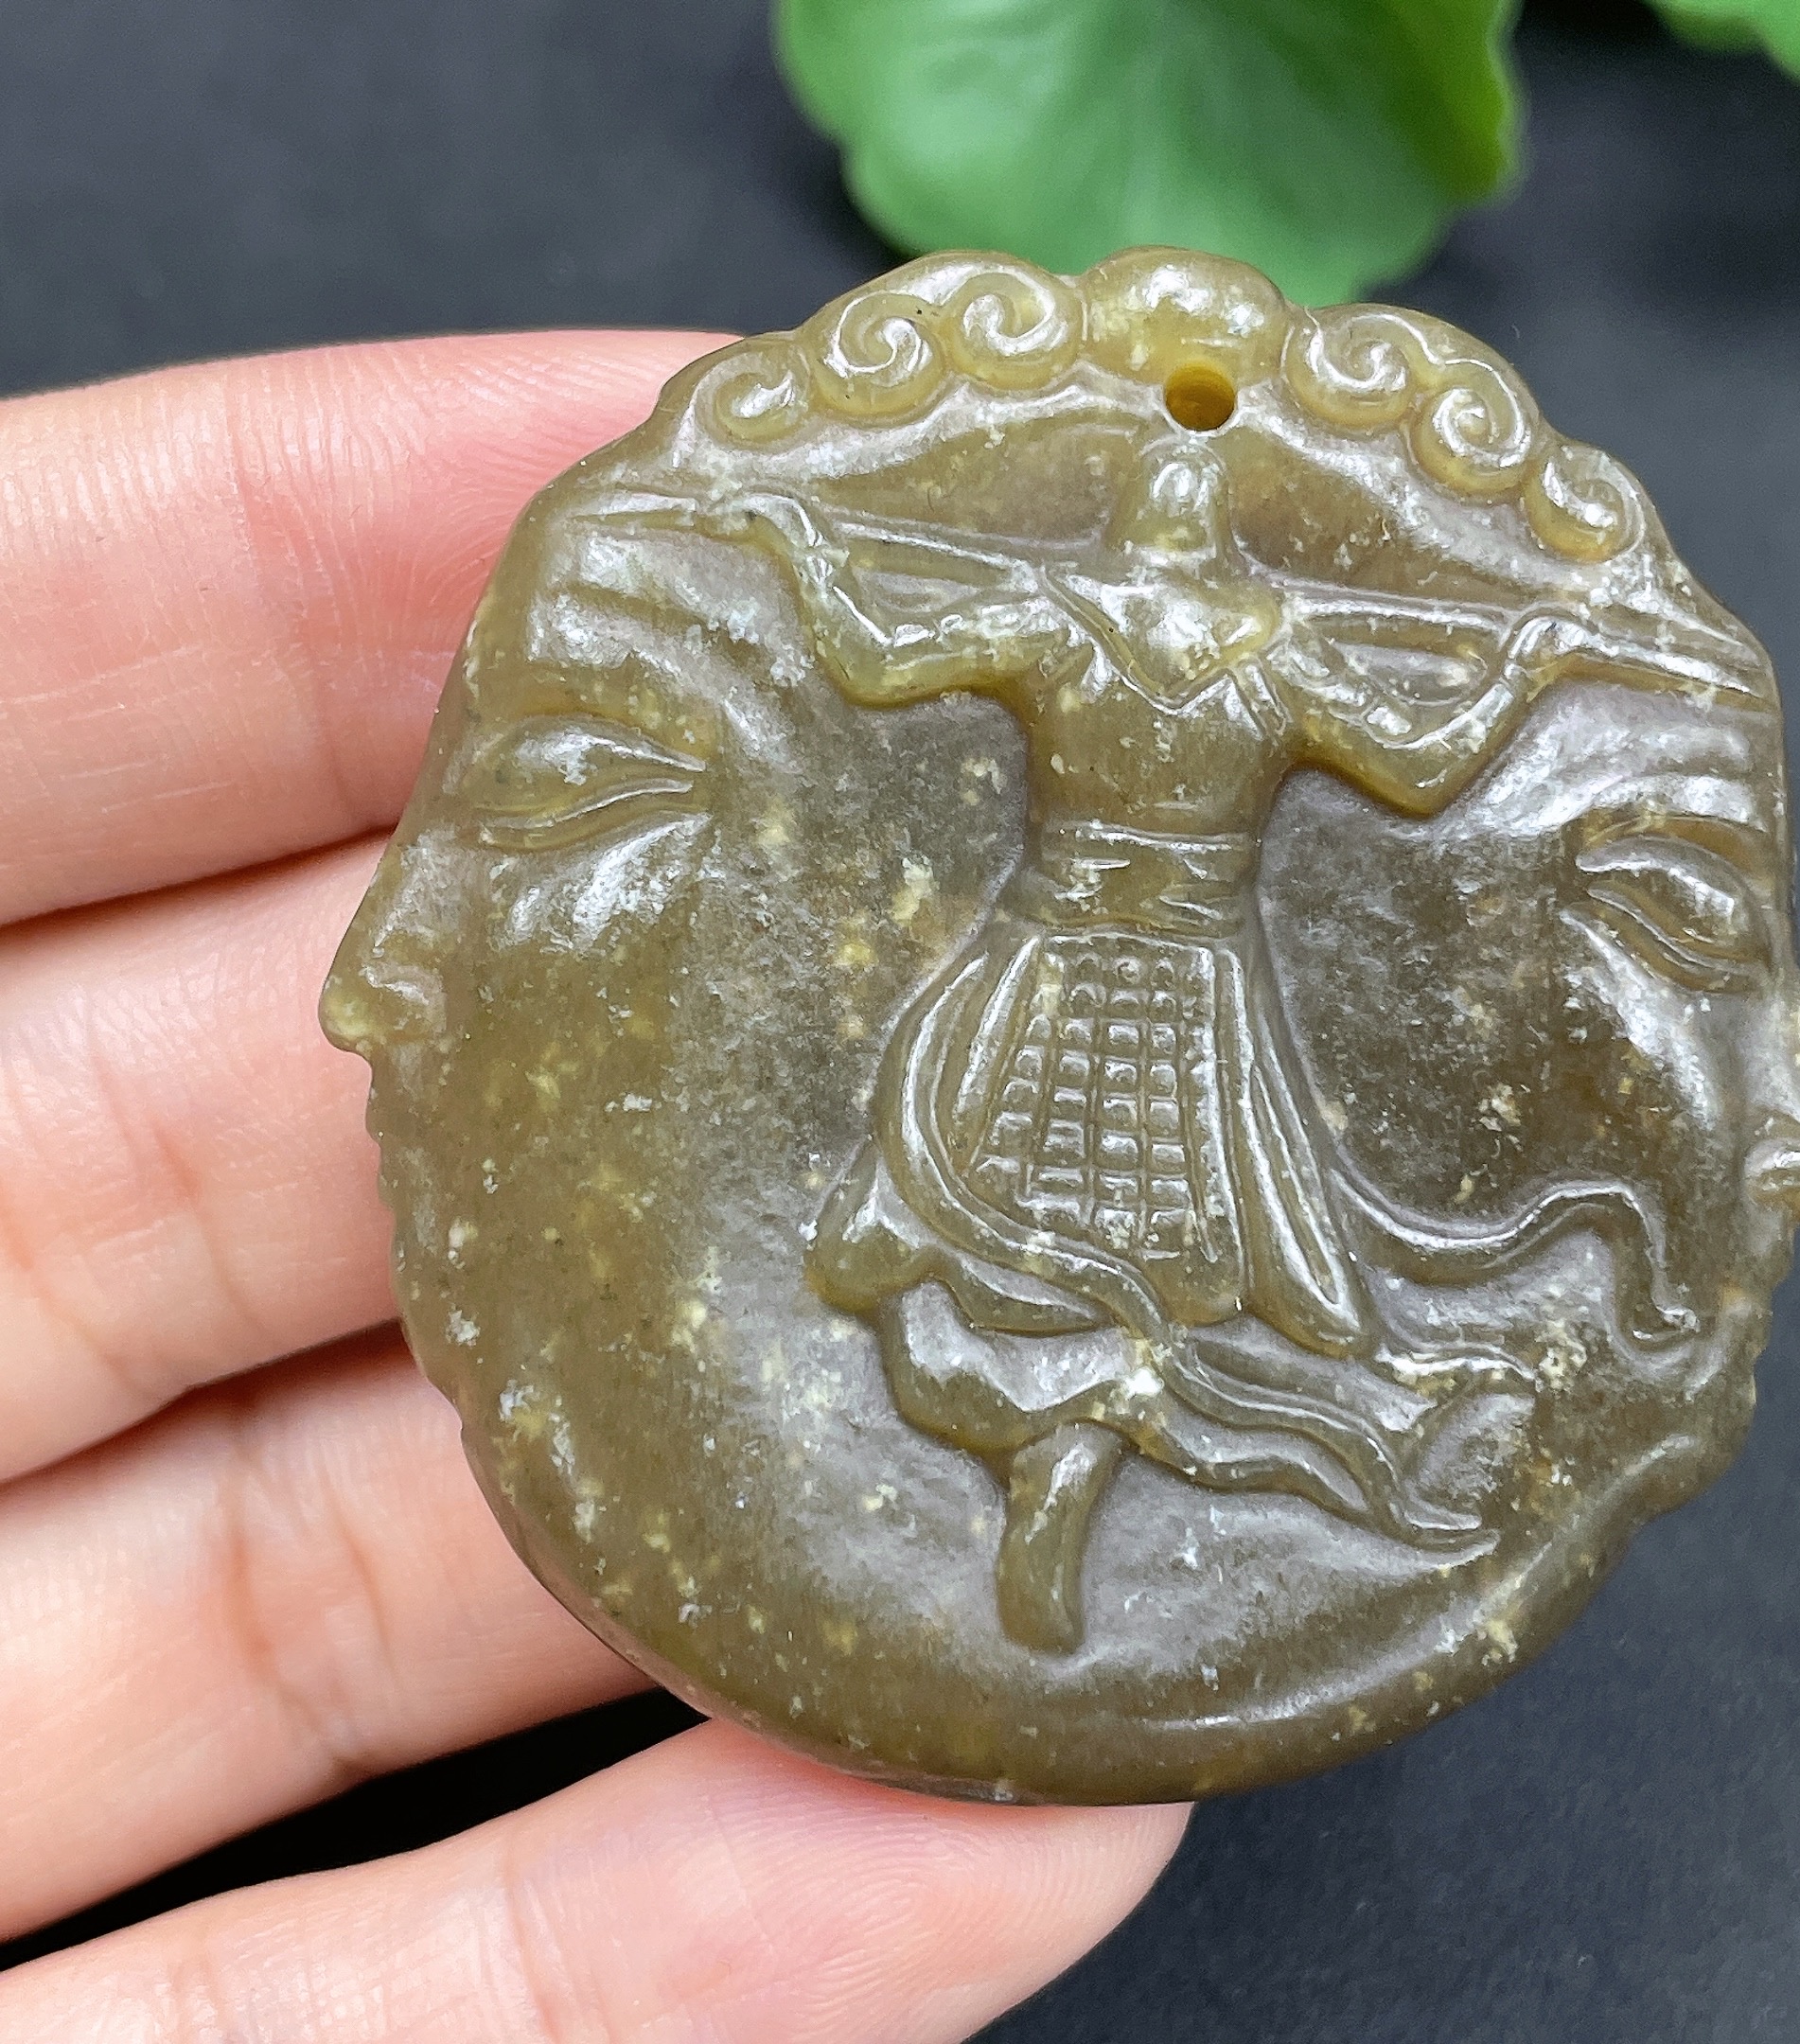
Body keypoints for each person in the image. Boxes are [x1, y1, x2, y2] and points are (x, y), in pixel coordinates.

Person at [0, 334, 1187, 2039]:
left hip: (1133, 990)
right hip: (1066, 983)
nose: (367, 988)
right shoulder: (1072, 645)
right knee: (996, 1221)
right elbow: (886, 649)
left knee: (1112, 1233)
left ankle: (1073, 1450)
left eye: (567, 793)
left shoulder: (1123, 658)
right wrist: (792, 548)